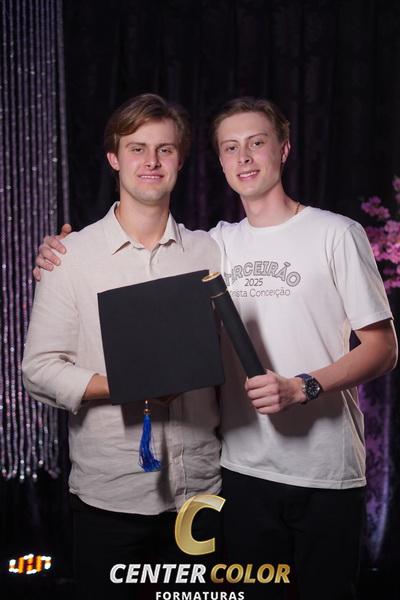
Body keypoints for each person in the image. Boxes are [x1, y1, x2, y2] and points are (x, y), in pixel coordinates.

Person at [33, 96, 398, 600]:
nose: (244, 157)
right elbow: (44, 365)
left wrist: (303, 386)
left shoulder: (299, 238)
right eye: (230, 147)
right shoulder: (201, 247)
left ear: (283, 149)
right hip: (231, 475)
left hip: (286, 477)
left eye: (257, 143)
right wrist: (61, 253)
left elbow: (383, 347)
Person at [22, 94, 223, 600]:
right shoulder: (70, 257)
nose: (151, 161)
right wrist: (127, 385)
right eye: (137, 148)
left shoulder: (211, 251)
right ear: (114, 158)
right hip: (111, 497)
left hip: (202, 492)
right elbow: (38, 369)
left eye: (165, 149)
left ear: (180, 159)